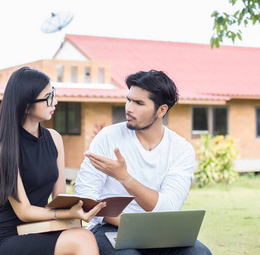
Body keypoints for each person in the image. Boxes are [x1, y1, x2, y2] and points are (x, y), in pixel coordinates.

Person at [74, 70, 212, 255]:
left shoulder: (181, 149)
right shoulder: (108, 137)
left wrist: (125, 178)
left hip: (160, 231)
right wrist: (127, 223)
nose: (129, 108)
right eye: (128, 99)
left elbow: (168, 208)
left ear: (162, 110)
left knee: (200, 253)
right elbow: (85, 196)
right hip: (111, 227)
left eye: (139, 103)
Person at [0, 67, 106, 255]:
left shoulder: (54, 139)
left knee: (82, 234)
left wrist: (80, 208)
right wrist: (68, 214)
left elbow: (59, 199)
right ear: (25, 105)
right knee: (83, 239)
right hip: (5, 237)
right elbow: (24, 211)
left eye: (53, 94)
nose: (54, 101)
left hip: (39, 229)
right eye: (48, 97)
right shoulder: (5, 147)